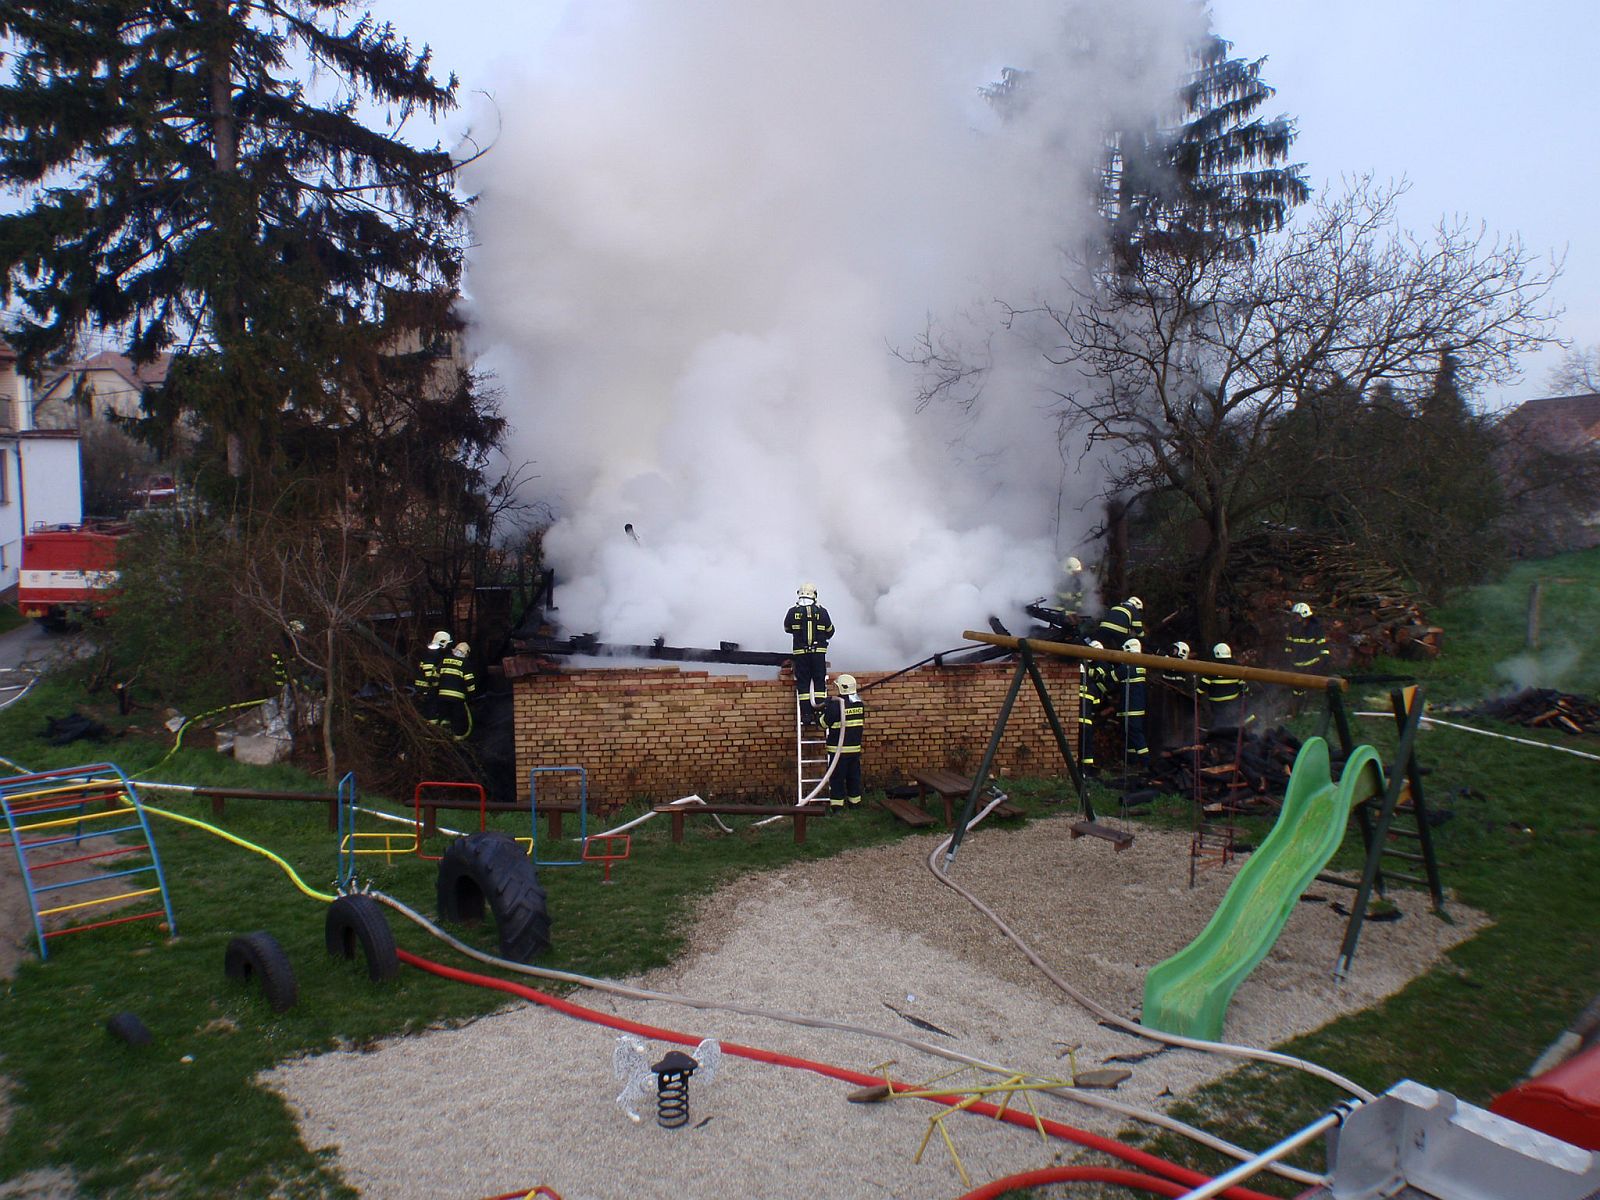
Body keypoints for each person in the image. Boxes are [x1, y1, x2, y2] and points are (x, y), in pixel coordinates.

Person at [783, 583, 834, 721]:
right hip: (818, 654)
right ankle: (819, 713)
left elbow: (787, 628)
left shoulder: (792, 612)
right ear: (814, 595)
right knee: (819, 681)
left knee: (803, 682)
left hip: (801, 654)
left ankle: (806, 714)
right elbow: (830, 631)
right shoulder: (822, 612)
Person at [818, 673, 866, 810]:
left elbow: (822, 724)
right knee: (854, 778)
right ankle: (855, 804)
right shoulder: (859, 704)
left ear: (841, 688)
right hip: (854, 750)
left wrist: (823, 710)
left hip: (838, 752)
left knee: (837, 779)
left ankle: (837, 807)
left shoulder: (835, 706)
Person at [1116, 638, 1150, 770]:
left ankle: (1146, 762)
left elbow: (1112, 677)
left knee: (1135, 734)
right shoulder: (1140, 665)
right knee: (1130, 734)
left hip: (1131, 707)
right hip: (1136, 707)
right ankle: (1131, 761)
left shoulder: (1128, 666)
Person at [1200, 642, 1247, 729]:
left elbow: (1202, 687)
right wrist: (1245, 698)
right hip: (1233, 703)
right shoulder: (1236, 667)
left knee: (1219, 722)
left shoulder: (1212, 668)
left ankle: (1217, 731)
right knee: (1230, 722)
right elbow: (1243, 687)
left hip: (1216, 704)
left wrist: (1196, 695)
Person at [1078, 639, 1108, 774]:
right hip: (1087, 719)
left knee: (1080, 744)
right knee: (1086, 744)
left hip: (1076, 719)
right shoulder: (1091, 684)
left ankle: (1081, 769)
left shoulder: (1076, 682)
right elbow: (1096, 703)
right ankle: (1086, 769)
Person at [436, 641, 477, 740]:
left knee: (444, 716)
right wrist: (472, 694)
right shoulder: (465, 663)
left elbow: (436, 676)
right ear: (466, 653)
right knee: (457, 717)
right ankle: (457, 738)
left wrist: (435, 689)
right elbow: (469, 681)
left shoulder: (445, 660)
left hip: (442, 696)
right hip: (457, 698)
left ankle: (443, 734)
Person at [413, 629, 451, 721]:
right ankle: (431, 722)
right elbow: (428, 667)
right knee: (431, 705)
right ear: (442, 642)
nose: (447, 646)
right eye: (447, 643)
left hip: (425, 684)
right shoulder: (433, 653)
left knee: (429, 705)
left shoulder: (432, 651)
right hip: (426, 685)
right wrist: (432, 679)